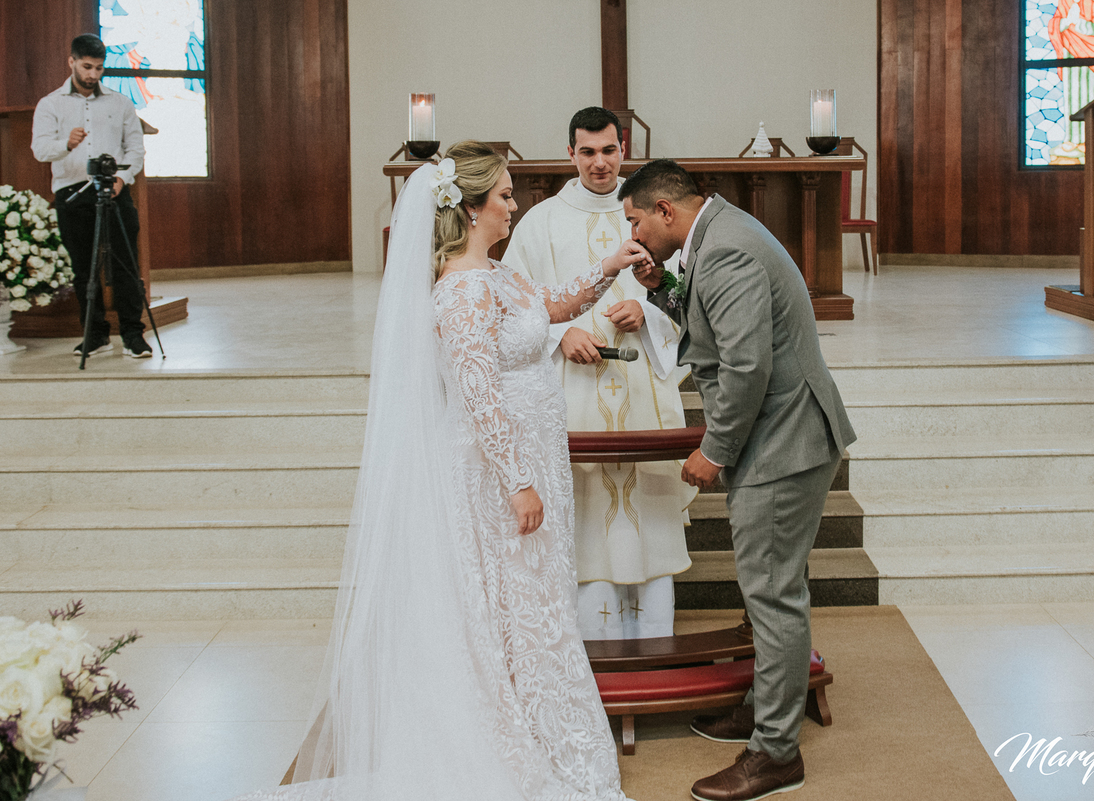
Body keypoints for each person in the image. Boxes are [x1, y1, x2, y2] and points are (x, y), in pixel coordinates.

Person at [228, 142, 647, 801]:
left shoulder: (498, 275)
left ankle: (540, 734)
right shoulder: (461, 291)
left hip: (530, 462)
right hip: (495, 475)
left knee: (531, 605)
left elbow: (552, 306)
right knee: (512, 606)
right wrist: (517, 481)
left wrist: (608, 266)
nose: (513, 205)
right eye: (504, 195)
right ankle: (515, 749)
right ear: (472, 208)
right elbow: (478, 390)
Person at [621, 159, 856, 801]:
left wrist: (714, 450)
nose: (634, 234)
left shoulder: (725, 249)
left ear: (664, 210)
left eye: (636, 221)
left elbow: (746, 365)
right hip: (784, 433)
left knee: (772, 594)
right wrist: (662, 287)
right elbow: (717, 321)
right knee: (770, 590)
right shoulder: (720, 231)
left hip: (782, 442)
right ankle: (763, 709)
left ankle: (776, 754)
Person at [505, 107, 695, 640]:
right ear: (570, 153)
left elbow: (688, 296)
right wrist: (558, 336)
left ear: (623, 149)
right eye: (587, 152)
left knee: (647, 510)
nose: (599, 163)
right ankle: (596, 650)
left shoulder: (652, 213)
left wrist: (650, 313)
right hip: (574, 393)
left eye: (609, 150)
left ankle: (654, 644)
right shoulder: (541, 221)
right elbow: (513, 305)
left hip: (642, 389)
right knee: (587, 515)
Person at [31, 33, 151, 359]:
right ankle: (96, 335)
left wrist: (122, 178)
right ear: (71, 61)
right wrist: (66, 144)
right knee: (84, 268)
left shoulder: (120, 102)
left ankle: (133, 335)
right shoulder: (50, 103)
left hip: (114, 190)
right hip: (72, 192)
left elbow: (135, 148)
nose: (93, 74)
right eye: (86, 67)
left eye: (99, 68)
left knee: (125, 265)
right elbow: (40, 149)